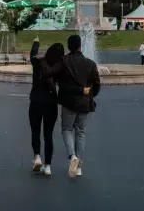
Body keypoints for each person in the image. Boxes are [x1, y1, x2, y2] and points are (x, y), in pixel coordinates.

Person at [58, 34, 101, 178]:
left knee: (66, 128)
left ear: (68, 46)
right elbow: (97, 84)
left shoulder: (64, 61)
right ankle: (79, 166)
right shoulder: (91, 63)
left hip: (69, 102)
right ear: (80, 46)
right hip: (84, 102)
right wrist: (90, 95)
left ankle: (72, 156)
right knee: (81, 132)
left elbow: (61, 83)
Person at [29, 38, 65, 176]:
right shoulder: (58, 67)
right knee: (48, 135)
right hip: (51, 102)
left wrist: (36, 42)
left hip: (36, 100)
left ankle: (37, 157)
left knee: (35, 131)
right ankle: (48, 166)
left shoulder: (38, 63)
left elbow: (32, 53)